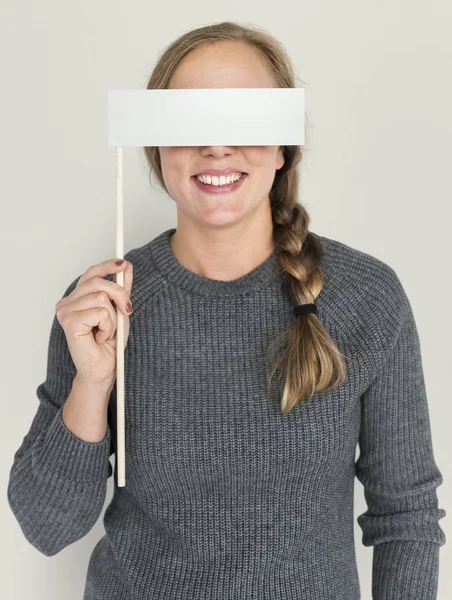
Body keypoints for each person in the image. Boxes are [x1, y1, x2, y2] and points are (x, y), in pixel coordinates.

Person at [7, 21, 446, 600]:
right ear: (155, 146)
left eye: (246, 120)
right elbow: (45, 526)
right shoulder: (102, 304)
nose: (217, 146)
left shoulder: (366, 296)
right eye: (188, 123)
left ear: (284, 144)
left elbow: (406, 518)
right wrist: (93, 383)